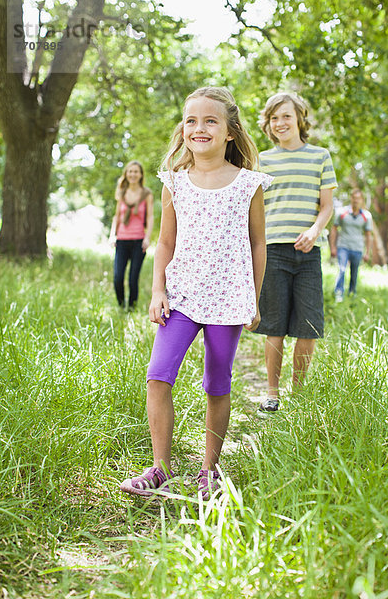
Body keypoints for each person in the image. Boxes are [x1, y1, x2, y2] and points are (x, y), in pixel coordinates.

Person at [119, 86, 273, 499]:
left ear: (229, 132)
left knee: (216, 384)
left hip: (227, 300)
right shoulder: (174, 182)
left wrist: (253, 298)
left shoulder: (248, 184)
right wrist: (157, 290)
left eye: (210, 120)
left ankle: (209, 469)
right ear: (183, 129)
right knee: (157, 375)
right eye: (191, 120)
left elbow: (259, 243)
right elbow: (165, 242)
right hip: (182, 296)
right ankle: (160, 469)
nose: (199, 127)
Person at [254, 92, 337, 413]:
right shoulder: (263, 160)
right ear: (269, 124)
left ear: (299, 118)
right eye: (274, 118)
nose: (280, 123)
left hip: (308, 254)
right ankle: (272, 393)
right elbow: (255, 211)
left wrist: (315, 230)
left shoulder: (320, 156)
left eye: (286, 116)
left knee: (308, 327)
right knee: (273, 325)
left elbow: (326, 206)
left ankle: (298, 395)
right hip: (272, 251)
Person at [110, 160, 154, 310]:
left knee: (133, 279)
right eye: (130, 171)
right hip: (122, 240)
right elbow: (117, 216)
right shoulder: (121, 192)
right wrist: (112, 235)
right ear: (126, 174)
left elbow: (150, 217)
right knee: (118, 277)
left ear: (141, 174)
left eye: (136, 171)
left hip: (138, 241)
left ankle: (132, 308)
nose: (133, 174)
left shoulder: (146, 194)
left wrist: (147, 238)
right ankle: (122, 306)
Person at [329, 188, 372, 301]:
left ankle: (352, 294)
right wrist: (332, 247)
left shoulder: (366, 216)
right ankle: (339, 294)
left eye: (358, 198)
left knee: (354, 273)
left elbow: (368, 235)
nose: (355, 200)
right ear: (351, 198)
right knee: (342, 269)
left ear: (361, 200)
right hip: (343, 246)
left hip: (357, 248)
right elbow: (334, 229)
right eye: (354, 198)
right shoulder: (341, 213)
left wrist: (367, 252)